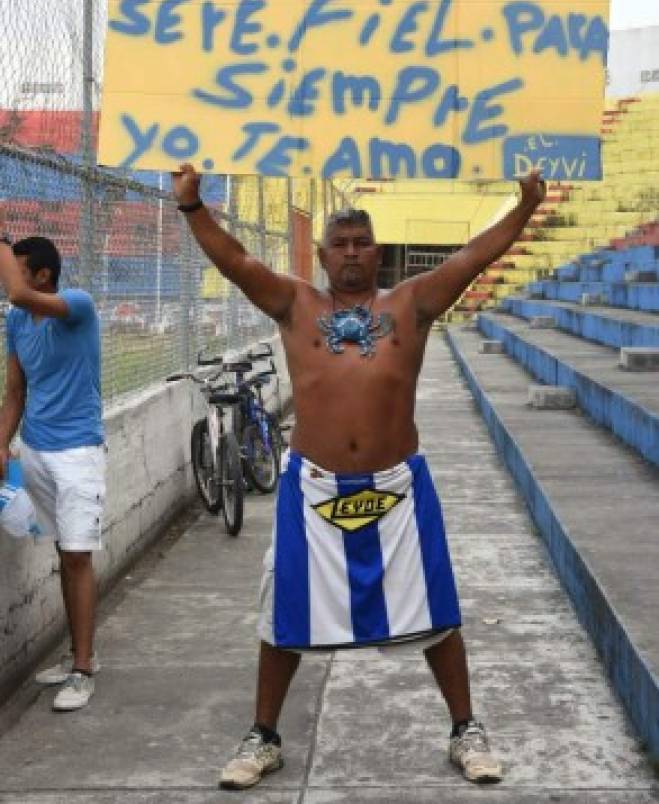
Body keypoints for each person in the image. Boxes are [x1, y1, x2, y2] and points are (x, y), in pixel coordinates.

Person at [173, 165, 546, 789]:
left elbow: (478, 255)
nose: (350, 253)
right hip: (313, 487)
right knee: (283, 613)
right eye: (339, 243)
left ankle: (466, 729)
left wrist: (525, 206)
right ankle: (263, 735)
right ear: (321, 254)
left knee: (436, 611)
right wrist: (191, 208)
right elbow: (236, 261)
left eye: (361, 242)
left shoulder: (411, 304)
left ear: (378, 250)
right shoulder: (295, 304)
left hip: (397, 487)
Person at [0, 230, 105, 711]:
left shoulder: (77, 305)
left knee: (79, 555)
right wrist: (2, 443)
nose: (9, 283)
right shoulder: (18, 321)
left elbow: (19, 292)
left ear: (43, 275)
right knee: (65, 553)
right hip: (37, 451)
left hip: (78, 452)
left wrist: (1, 240)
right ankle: (78, 656)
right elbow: (16, 391)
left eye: (17, 268)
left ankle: (83, 670)